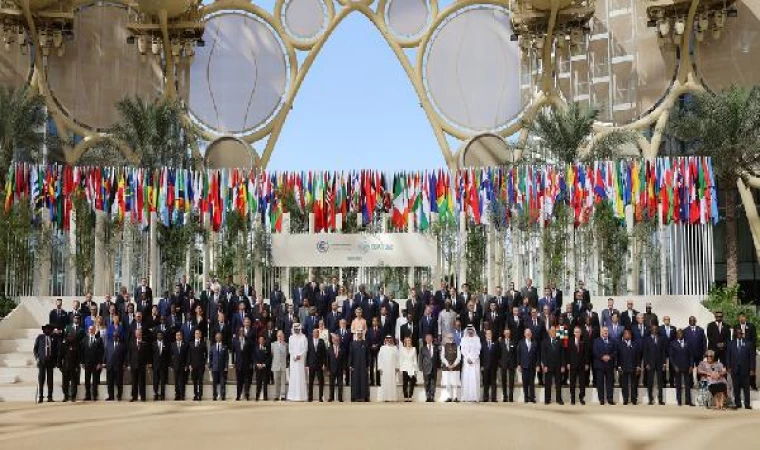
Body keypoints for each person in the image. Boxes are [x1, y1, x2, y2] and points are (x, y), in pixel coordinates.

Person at [726, 328, 754, 409]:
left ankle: (747, 404)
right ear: (735, 334)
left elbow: (752, 357)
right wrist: (728, 367)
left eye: (740, 333)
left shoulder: (748, 343)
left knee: (746, 388)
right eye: (737, 333)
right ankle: (738, 403)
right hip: (734, 369)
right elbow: (728, 356)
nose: (739, 334)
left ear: (742, 334)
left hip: (745, 369)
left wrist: (752, 369)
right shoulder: (730, 344)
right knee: (736, 388)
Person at [642, 323, 667, 405]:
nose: (654, 330)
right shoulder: (646, 339)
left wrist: (664, 363)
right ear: (650, 330)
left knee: (660, 382)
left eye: (656, 329)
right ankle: (650, 399)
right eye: (653, 329)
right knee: (650, 382)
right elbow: (645, 353)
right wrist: (646, 363)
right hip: (650, 364)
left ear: (657, 330)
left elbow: (663, 352)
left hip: (660, 364)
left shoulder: (661, 339)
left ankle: (660, 400)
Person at [33, 324, 58, 403]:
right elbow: (35, 349)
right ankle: (40, 396)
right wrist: (37, 357)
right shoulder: (40, 337)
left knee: (50, 380)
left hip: (50, 361)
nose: (47, 331)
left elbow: (55, 350)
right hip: (42, 361)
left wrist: (55, 361)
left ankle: (50, 396)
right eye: (46, 329)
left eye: (49, 329)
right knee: (41, 379)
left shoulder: (53, 338)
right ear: (44, 330)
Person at [670, 329, 694, 406]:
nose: (680, 335)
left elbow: (691, 355)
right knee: (678, 385)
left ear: (683, 334)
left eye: (681, 333)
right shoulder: (673, 343)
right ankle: (679, 401)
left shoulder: (688, 343)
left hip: (687, 367)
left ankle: (688, 401)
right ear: (676, 335)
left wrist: (691, 366)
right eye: (678, 334)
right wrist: (674, 366)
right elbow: (671, 357)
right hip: (677, 367)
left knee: (688, 385)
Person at [593, 326, 617, 405]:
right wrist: (602, 357)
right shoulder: (596, 341)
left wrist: (609, 357)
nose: (606, 332)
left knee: (609, 383)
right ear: (601, 332)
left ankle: (610, 399)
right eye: (604, 331)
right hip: (599, 365)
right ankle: (601, 399)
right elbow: (595, 351)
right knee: (600, 383)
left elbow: (615, 351)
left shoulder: (612, 341)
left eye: (607, 330)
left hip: (609, 365)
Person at [541, 327, 564, 405]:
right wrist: (545, 365)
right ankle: (547, 399)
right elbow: (543, 355)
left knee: (558, 384)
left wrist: (563, 366)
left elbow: (562, 354)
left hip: (558, 366)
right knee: (548, 384)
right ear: (549, 332)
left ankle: (559, 399)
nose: (553, 332)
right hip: (548, 366)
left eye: (554, 331)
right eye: (552, 331)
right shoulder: (545, 342)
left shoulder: (560, 341)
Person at [617, 329, 641, 405]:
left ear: (631, 335)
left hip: (633, 367)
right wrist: (619, 366)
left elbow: (638, 357)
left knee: (634, 384)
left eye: (628, 334)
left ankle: (634, 399)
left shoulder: (635, 344)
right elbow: (618, 357)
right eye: (625, 334)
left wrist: (638, 366)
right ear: (623, 336)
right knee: (624, 385)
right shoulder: (620, 344)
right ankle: (625, 399)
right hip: (623, 368)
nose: (627, 335)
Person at [567, 326, 589, 405]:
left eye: (578, 332)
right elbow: (568, 353)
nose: (577, 333)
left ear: (581, 333)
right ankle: (572, 399)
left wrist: (587, 363)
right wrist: (568, 363)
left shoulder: (583, 340)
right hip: (572, 365)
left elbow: (586, 353)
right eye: (575, 332)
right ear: (573, 333)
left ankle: (581, 398)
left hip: (582, 365)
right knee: (572, 383)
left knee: (582, 383)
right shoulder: (570, 341)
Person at [460, 325, 482, 402]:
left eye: (471, 330)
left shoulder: (477, 339)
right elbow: (462, 350)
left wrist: (472, 359)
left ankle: (475, 397)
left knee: (474, 378)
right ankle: (466, 397)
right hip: (466, 361)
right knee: (466, 378)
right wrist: (468, 358)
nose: (470, 331)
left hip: (475, 362)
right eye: (468, 330)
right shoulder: (463, 339)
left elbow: (478, 350)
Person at [287, 323, 308, 401]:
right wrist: (294, 356)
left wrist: (299, 355)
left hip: (301, 361)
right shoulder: (291, 338)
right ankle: (292, 396)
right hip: (293, 361)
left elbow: (305, 349)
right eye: (295, 329)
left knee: (300, 377)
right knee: (293, 377)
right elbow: (290, 349)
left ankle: (301, 396)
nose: (296, 330)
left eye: (298, 329)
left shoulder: (303, 338)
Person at [349, 328, 370, 402]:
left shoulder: (366, 343)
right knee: (355, 381)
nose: (359, 335)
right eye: (358, 334)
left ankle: (365, 397)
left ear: (362, 335)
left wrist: (368, 365)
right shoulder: (353, 344)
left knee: (364, 381)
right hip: (355, 366)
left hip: (364, 366)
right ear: (356, 335)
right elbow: (350, 355)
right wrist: (350, 365)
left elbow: (368, 355)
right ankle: (354, 397)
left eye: (361, 334)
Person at [306, 328, 327, 402]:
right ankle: (310, 397)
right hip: (311, 364)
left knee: (321, 382)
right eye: (314, 333)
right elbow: (307, 353)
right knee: (310, 382)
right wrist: (307, 364)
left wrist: (324, 364)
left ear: (318, 334)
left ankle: (320, 397)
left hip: (319, 364)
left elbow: (324, 354)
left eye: (317, 332)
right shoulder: (309, 341)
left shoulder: (322, 341)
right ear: (312, 334)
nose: (316, 334)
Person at [440, 333, 462, 401]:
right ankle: (449, 397)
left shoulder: (457, 346)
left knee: (454, 383)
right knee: (447, 383)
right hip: (446, 368)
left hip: (455, 367)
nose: (450, 339)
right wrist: (447, 364)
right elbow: (442, 357)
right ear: (446, 338)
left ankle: (455, 397)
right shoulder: (444, 346)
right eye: (449, 337)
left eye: (451, 337)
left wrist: (454, 364)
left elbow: (459, 357)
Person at [377, 335, 399, 402]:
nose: (388, 340)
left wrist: (397, 367)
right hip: (384, 369)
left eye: (390, 339)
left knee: (392, 383)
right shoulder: (382, 348)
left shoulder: (395, 348)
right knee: (385, 382)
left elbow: (397, 358)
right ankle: (385, 397)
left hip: (392, 368)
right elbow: (379, 358)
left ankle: (392, 398)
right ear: (385, 340)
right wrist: (380, 368)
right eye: (387, 339)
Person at [188, 329, 208, 401]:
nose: (197, 335)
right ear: (194, 335)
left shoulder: (203, 343)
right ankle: (195, 394)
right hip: (193, 366)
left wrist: (204, 362)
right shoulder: (191, 344)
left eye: (198, 333)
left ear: (200, 335)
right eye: (196, 333)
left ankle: (200, 395)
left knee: (200, 381)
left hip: (201, 366)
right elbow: (189, 355)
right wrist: (189, 364)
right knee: (195, 381)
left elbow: (206, 354)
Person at [498, 328, 517, 402]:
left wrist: (515, 363)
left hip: (511, 364)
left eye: (508, 333)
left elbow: (515, 354)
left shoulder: (513, 342)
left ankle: (511, 396)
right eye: (506, 333)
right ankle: (505, 396)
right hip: (503, 364)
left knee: (511, 381)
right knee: (503, 380)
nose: (507, 334)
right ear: (504, 334)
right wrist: (500, 363)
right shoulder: (500, 343)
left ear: (510, 334)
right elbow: (498, 354)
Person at [419, 333, 438, 402]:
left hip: (434, 368)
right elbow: (420, 358)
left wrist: (438, 367)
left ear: (432, 339)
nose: (429, 340)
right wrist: (420, 367)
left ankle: (432, 397)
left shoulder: (436, 348)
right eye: (427, 338)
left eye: (430, 338)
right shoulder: (422, 348)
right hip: (426, 368)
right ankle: (428, 397)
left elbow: (437, 358)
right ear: (425, 339)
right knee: (427, 383)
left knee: (433, 383)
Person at [209, 332, 228, 401]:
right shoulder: (212, 347)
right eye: (217, 337)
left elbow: (226, 358)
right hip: (214, 368)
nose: (218, 338)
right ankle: (214, 396)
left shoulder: (225, 347)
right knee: (214, 383)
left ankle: (223, 396)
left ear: (221, 338)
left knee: (222, 383)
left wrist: (226, 366)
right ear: (215, 338)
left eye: (219, 337)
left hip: (222, 368)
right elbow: (210, 357)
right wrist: (210, 366)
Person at [150, 330, 168, 401]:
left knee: (163, 381)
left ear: (163, 336)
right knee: (155, 381)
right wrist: (150, 363)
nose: (160, 336)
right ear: (156, 336)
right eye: (158, 335)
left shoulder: (166, 344)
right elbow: (151, 354)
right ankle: (155, 394)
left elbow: (168, 355)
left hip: (163, 366)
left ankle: (162, 395)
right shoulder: (153, 344)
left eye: (161, 335)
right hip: (155, 365)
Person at [399, 336, 418, 402]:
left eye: (409, 340)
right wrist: (401, 369)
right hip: (404, 368)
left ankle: (410, 396)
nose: (408, 342)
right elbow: (401, 360)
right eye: (407, 340)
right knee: (405, 383)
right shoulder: (402, 349)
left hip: (411, 368)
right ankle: (405, 396)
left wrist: (415, 369)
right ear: (405, 341)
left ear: (411, 341)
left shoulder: (414, 349)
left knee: (412, 383)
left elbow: (415, 360)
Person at [170, 331, 188, 401]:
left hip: (183, 366)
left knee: (182, 381)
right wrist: (171, 365)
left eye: (179, 335)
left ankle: (182, 395)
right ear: (175, 336)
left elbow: (187, 356)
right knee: (176, 381)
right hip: (175, 366)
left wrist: (186, 365)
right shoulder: (172, 344)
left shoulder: (185, 344)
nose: (178, 336)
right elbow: (170, 356)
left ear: (182, 336)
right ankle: (177, 395)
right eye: (177, 335)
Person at [271, 331, 288, 401]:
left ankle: (283, 395)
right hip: (275, 365)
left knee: (283, 381)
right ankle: (276, 396)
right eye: (279, 336)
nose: (280, 337)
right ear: (277, 337)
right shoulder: (273, 345)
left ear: (283, 337)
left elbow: (287, 354)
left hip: (283, 365)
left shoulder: (286, 345)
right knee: (276, 382)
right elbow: (272, 354)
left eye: (281, 336)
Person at [253, 335, 271, 401]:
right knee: (258, 383)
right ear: (258, 340)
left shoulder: (267, 348)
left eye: (262, 340)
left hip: (264, 368)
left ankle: (265, 397)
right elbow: (253, 357)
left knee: (265, 384)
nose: (261, 341)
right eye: (260, 340)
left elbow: (269, 358)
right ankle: (257, 397)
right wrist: (257, 364)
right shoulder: (255, 348)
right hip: (258, 368)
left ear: (264, 341)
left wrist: (264, 364)